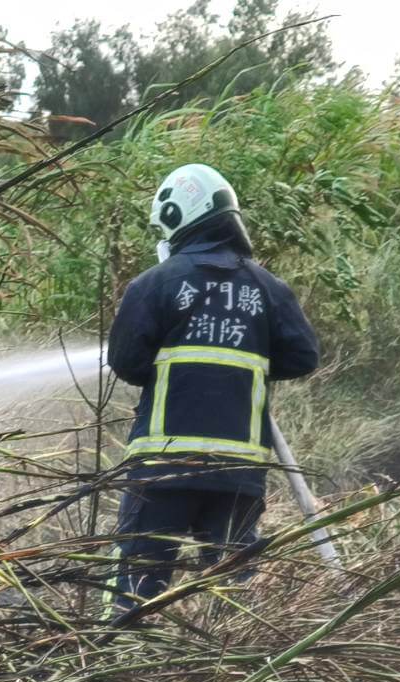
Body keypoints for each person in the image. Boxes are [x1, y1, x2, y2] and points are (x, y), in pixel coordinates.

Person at [105, 163, 320, 620]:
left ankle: (110, 669)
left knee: (136, 586)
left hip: (163, 468)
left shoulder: (154, 284)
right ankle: (247, 674)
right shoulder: (267, 289)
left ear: (177, 216)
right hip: (236, 473)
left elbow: (127, 363)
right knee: (236, 589)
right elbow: (303, 357)